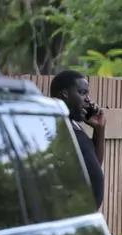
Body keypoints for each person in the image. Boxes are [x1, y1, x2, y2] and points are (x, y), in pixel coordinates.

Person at [50, 70, 106, 210]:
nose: (88, 99)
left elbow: (94, 165)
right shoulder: (56, 128)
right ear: (65, 94)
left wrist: (99, 129)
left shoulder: (74, 126)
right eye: (82, 93)